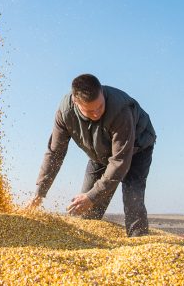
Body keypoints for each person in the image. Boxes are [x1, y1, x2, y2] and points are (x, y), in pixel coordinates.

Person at [27, 74, 156, 236]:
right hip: (99, 154)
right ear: (75, 102)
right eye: (90, 110)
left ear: (102, 92)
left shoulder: (120, 110)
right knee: (85, 209)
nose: (96, 113)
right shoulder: (65, 113)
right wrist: (40, 192)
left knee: (132, 198)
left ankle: (139, 242)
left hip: (136, 149)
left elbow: (120, 162)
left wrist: (93, 196)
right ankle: (91, 246)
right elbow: (55, 153)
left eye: (100, 107)